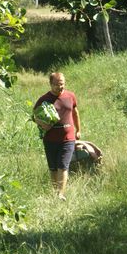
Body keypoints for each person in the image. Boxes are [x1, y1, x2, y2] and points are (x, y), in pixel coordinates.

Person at [33, 72, 81, 201]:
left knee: (63, 165)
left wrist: (78, 130)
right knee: (53, 168)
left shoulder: (70, 96)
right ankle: (55, 192)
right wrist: (43, 124)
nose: (60, 87)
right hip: (50, 138)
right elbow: (34, 116)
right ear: (50, 84)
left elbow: (75, 113)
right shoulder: (44, 99)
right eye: (56, 84)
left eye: (62, 84)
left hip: (68, 137)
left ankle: (61, 193)